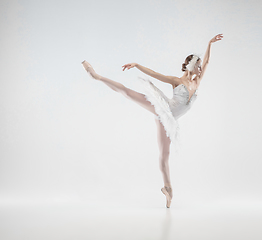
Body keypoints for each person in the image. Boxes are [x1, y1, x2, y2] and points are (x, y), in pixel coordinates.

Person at [81, 33, 223, 208]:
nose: (201, 69)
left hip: (169, 121)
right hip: (162, 108)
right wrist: (137, 65)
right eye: (198, 66)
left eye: (201, 67)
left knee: (165, 156)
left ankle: (168, 189)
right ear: (191, 66)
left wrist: (209, 43)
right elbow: (155, 74)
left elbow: (208, 61)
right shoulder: (176, 81)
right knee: (127, 92)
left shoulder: (197, 82)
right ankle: (96, 76)